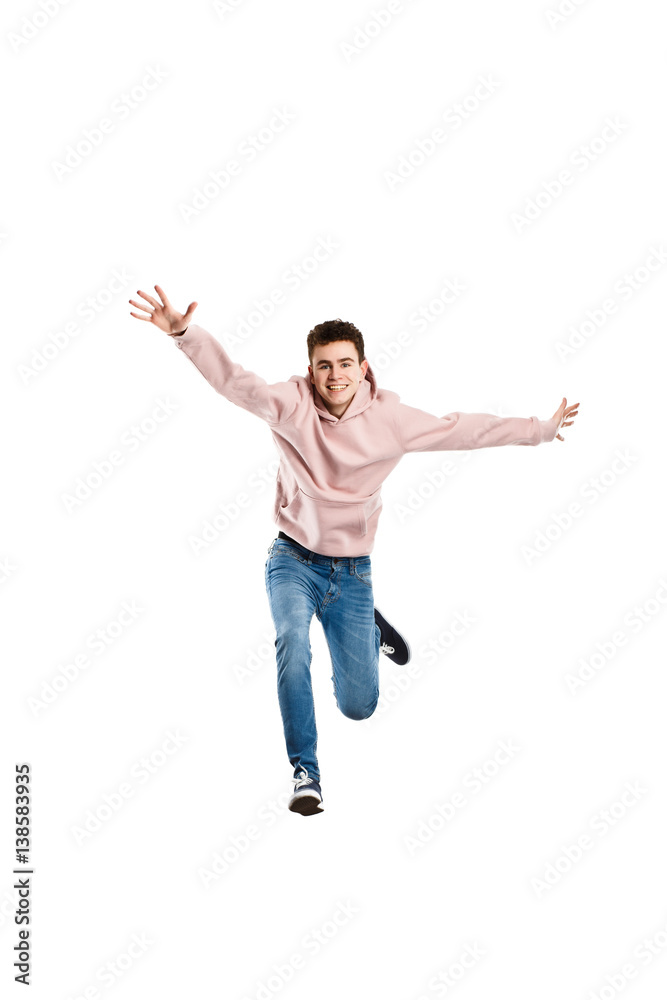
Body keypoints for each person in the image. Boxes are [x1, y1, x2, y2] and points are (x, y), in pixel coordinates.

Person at [129, 284, 580, 816]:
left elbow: (465, 430)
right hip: (292, 560)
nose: (334, 375)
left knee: (359, 707)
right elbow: (233, 382)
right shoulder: (289, 405)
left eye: (345, 364)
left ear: (364, 369)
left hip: (353, 573)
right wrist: (185, 333)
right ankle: (306, 773)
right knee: (292, 642)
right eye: (323, 366)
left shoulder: (391, 420)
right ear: (311, 370)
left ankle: (368, 629)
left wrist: (541, 430)